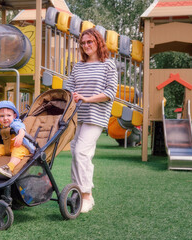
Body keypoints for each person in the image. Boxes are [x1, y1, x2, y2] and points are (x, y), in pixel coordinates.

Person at [65, 28, 118, 213]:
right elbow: (69, 86)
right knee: (77, 154)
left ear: (98, 43)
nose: (86, 45)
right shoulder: (78, 66)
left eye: (90, 42)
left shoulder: (108, 65)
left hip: (95, 117)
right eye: (83, 43)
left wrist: (87, 98)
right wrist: (70, 94)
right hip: (77, 115)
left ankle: (86, 196)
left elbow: (110, 93)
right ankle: (77, 192)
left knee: (81, 152)